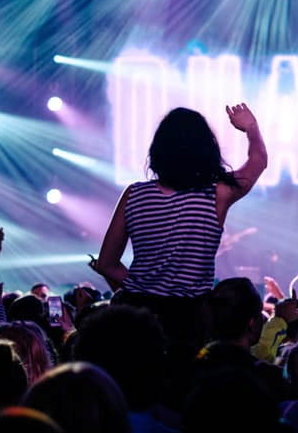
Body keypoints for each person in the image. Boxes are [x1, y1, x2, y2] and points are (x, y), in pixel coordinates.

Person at [95, 104, 266, 345]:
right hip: (190, 319)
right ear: (206, 149)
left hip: (137, 316)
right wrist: (251, 127)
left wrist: (142, 288)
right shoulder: (216, 194)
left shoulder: (134, 194)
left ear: (159, 150)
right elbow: (258, 161)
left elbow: (106, 264)